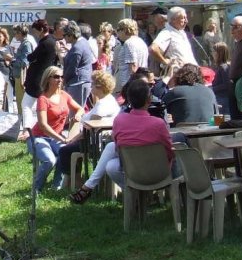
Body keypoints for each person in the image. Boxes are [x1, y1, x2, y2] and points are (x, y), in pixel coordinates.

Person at [70, 75, 174, 204]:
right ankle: (143, 196)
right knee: (110, 164)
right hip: (160, 172)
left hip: (131, 170)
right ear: (149, 100)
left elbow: (118, 145)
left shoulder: (119, 120)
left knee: (110, 154)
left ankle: (90, 187)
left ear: (128, 99)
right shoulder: (158, 124)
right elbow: (169, 151)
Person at [54, 70, 119, 187]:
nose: (91, 86)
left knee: (64, 150)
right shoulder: (108, 100)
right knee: (69, 148)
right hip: (98, 140)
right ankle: (70, 180)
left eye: (92, 84)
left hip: (94, 142)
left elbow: (91, 128)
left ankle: (75, 181)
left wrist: (72, 139)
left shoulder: (103, 105)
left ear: (99, 87)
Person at [26, 65, 84, 191]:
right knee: (49, 161)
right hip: (38, 137)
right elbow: (43, 125)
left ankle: (56, 186)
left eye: (62, 77)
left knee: (64, 154)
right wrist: (61, 139)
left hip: (55, 138)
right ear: (48, 79)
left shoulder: (64, 95)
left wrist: (78, 115)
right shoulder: (43, 99)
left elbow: (80, 108)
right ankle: (36, 190)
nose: (60, 80)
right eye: (56, 77)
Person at [23, 19, 57, 131]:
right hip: (46, 77)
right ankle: (40, 126)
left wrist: (29, 56)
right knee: (41, 105)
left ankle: (28, 128)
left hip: (36, 78)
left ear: (41, 30)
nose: (35, 34)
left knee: (27, 104)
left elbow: (31, 57)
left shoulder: (44, 43)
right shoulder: (52, 40)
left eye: (36, 31)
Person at [149, 6, 197, 72]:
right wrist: (165, 62)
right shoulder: (167, 32)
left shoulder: (180, 31)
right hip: (179, 75)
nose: (186, 21)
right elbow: (153, 49)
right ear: (174, 20)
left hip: (190, 73)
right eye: (183, 18)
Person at [62, 21, 95, 106]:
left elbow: (72, 69)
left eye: (64, 35)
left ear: (70, 35)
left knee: (75, 112)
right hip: (82, 81)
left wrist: (63, 80)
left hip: (78, 83)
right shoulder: (83, 41)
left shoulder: (77, 47)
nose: (64, 38)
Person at [114, 18, 148, 93]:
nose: (117, 33)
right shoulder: (140, 41)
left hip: (127, 84)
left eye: (118, 30)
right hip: (140, 81)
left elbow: (133, 68)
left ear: (124, 30)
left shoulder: (129, 43)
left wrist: (128, 87)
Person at [211, 42, 232, 114]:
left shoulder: (224, 67)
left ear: (219, 53)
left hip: (223, 100)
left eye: (214, 51)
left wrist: (212, 88)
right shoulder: (221, 67)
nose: (212, 53)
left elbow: (226, 84)